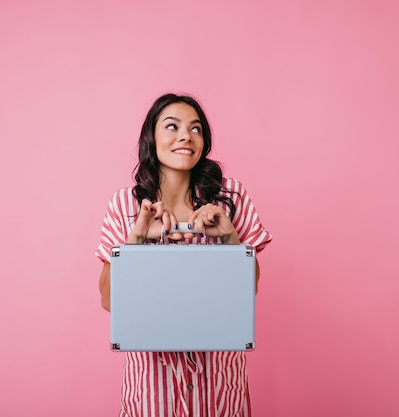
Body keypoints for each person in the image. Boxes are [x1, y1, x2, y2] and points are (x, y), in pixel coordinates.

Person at [95, 93, 273, 417]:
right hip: (153, 392)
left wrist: (231, 238)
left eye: (195, 129)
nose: (184, 137)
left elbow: (250, 288)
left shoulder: (230, 198)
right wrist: (135, 239)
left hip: (219, 390)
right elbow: (109, 300)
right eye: (172, 126)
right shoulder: (124, 206)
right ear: (152, 137)